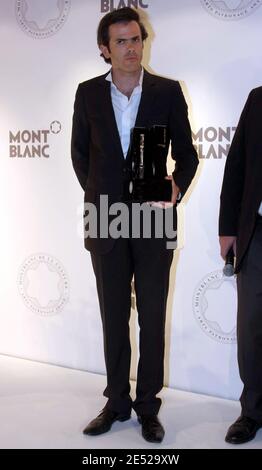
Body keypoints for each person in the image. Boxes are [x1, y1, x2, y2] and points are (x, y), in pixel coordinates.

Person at [71, 7, 198, 443]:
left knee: (152, 317)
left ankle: (148, 406)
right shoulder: (87, 94)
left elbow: (188, 155)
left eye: (136, 39)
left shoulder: (166, 91)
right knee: (112, 317)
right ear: (105, 49)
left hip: (153, 218)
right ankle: (116, 402)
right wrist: (104, 195)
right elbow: (80, 156)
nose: (132, 48)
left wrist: (173, 187)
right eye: (121, 41)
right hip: (105, 218)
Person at [219, 87, 262, 444]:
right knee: (251, 327)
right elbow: (236, 166)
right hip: (258, 233)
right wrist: (228, 229)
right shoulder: (258, 99)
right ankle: (252, 412)